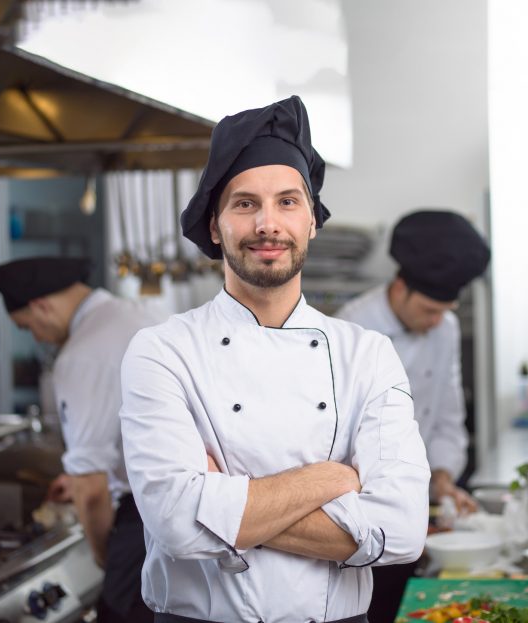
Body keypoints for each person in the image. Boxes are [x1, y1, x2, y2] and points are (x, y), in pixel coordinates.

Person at [119, 95, 430, 623]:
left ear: (312, 221)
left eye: (288, 202)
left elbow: (402, 531)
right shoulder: (162, 351)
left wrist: (219, 503)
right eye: (245, 204)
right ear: (215, 228)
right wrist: (331, 480)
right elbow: (172, 521)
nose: (268, 224)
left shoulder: (368, 355)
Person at [0, 257, 165, 623]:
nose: (36, 337)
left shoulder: (80, 355)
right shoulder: (135, 315)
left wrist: (104, 555)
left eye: (27, 326)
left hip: (145, 525)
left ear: (42, 305)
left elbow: (92, 488)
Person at [335, 210, 489, 621]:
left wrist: (441, 476)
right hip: (364, 513)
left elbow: (446, 417)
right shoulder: (350, 330)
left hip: (419, 507)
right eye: (428, 310)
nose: (436, 321)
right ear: (400, 287)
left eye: (445, 310)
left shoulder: (446, 328)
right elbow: (336, 441)